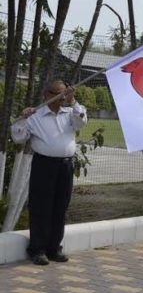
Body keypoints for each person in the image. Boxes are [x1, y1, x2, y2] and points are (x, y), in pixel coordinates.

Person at [11, 80, 88, 265]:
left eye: (64, 94)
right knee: (40, 207)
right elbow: (18, 137)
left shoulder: (70, 112)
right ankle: (38, 249)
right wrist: (23, 118)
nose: (61, 98)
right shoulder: (36, 115)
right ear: (46, 94)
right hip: (44, 165)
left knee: (60, 207)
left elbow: (81, 123)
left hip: (65, 166)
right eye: (57, 93)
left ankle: (54, 248)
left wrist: (73, 101)